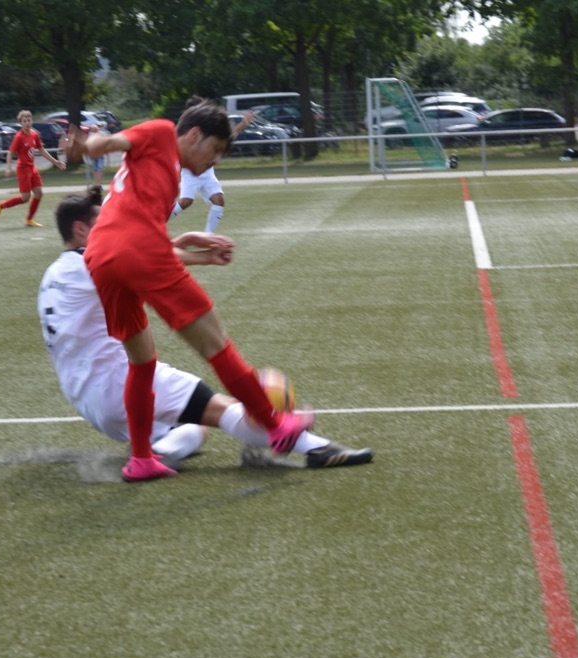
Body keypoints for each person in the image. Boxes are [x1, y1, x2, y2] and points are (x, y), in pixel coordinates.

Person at [39, 188, 373, 471]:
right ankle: (315, 448)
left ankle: (157, 452)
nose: (110, 233)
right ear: (80, 229)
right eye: (102, 225)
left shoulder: (53, 275)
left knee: (195, 430)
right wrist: (202, 256)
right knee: (227, 410)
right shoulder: (92, 265)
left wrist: (183, 245)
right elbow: (139, 260)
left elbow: (136, 257)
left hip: (86, 399)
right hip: (116, 382)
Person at [69, 102, 315, 482]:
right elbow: (108, 144)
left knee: (142, 362)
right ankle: (276, 427)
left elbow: (137, 242)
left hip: (101, 259)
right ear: (194, 135)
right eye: (214, 150)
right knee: (217, 344)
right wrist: (88, 145)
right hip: (132, 252)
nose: (214, 161)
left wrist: (197, 253)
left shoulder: (166, 173)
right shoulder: (161, 132)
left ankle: (141, 459)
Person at [170, 96, 254, 233]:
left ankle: (209, 235)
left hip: (207, 174)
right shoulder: (190, 133)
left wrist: (243, 124)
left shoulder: (210, 131)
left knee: (219, 200)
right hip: (191, 173)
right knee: (186, 201)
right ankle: (160, 220)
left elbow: (228, 137)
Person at [0, 110, 66, 227]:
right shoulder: (18, 137)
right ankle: (0, 206)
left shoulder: (34, 134)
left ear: (31, 121)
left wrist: (55, 161)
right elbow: (10, 152)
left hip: (32, 168)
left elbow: (41, 150)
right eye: (24, 121)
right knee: (25, 198)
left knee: (39, 193)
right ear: (21, 123)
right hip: (23, 169)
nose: (27, 123)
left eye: (29, 120)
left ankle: (29, 219)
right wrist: (8, 167)